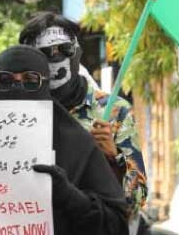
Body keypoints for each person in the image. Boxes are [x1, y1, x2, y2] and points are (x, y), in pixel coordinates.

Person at [0, 46, 128, 234]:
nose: (17, 87)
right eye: (5, 80)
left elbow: (117, 224)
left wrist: (71, 197)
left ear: (46, 85)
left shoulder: (78, 145)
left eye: (30, 80)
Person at [19, 11, 148, 223]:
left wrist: (113, 158)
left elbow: (136, 200)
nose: (56, 58)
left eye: (64, 49)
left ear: (77, 52)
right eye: (45, 53)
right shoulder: (18, 112)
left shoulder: (114, 112)